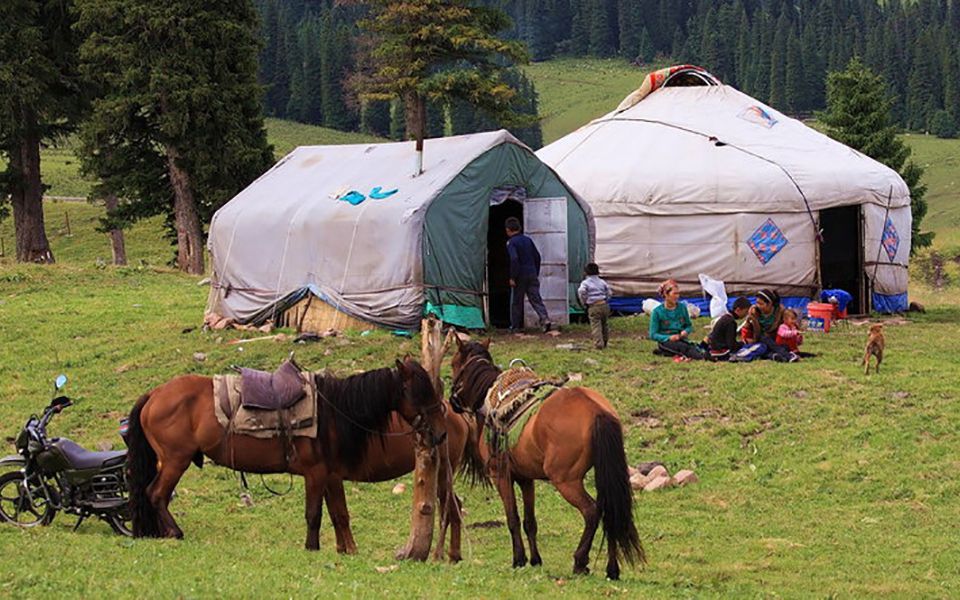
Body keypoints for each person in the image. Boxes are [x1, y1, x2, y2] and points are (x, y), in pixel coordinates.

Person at [505, 216, 551, 332]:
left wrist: (512, 277)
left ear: (508, 230)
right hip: (532, 273)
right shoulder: (528, 240)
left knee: (516, 301)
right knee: (536, 299)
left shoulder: (511, 242)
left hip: (520, 275)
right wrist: (535, 272)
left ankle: (515, 326)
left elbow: (514, 259)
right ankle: (545, 318)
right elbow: (537, 257)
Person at [649, 279, 705, 361]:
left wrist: (686, 331)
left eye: (678, 293)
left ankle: (665, 353)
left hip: (681, 339)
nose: (677, 296)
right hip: (666, 342)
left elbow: (688, 325)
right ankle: (699, 357)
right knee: (683, 348)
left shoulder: (682, 308)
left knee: (691, 346)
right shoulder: (657, 312)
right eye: (674, 294)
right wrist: (669, 337)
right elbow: (653, 334)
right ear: (666, 294)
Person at [743, 289, 796, 362]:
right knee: (763, 343)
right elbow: (746, 330)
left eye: (761, 304)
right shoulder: (754, 312)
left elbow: (788, 328)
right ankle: (786, 356)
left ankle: (776, 355)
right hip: (759, 341)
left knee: (783, 346)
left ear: (770, 304)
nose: (758, 306)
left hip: (776, 341)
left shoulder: (780, 313)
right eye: (757, 303)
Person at [578, 262, 611, 349]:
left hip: (594, 306)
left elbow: (581, 291)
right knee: (604, 324)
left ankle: (599, 344)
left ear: (586, 272)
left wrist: (584, 301)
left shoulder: (585, 283)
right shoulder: (602, 282)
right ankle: (605, 342)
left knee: (596, 325)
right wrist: (606, 299)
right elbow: (609, 292)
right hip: (604, 304)